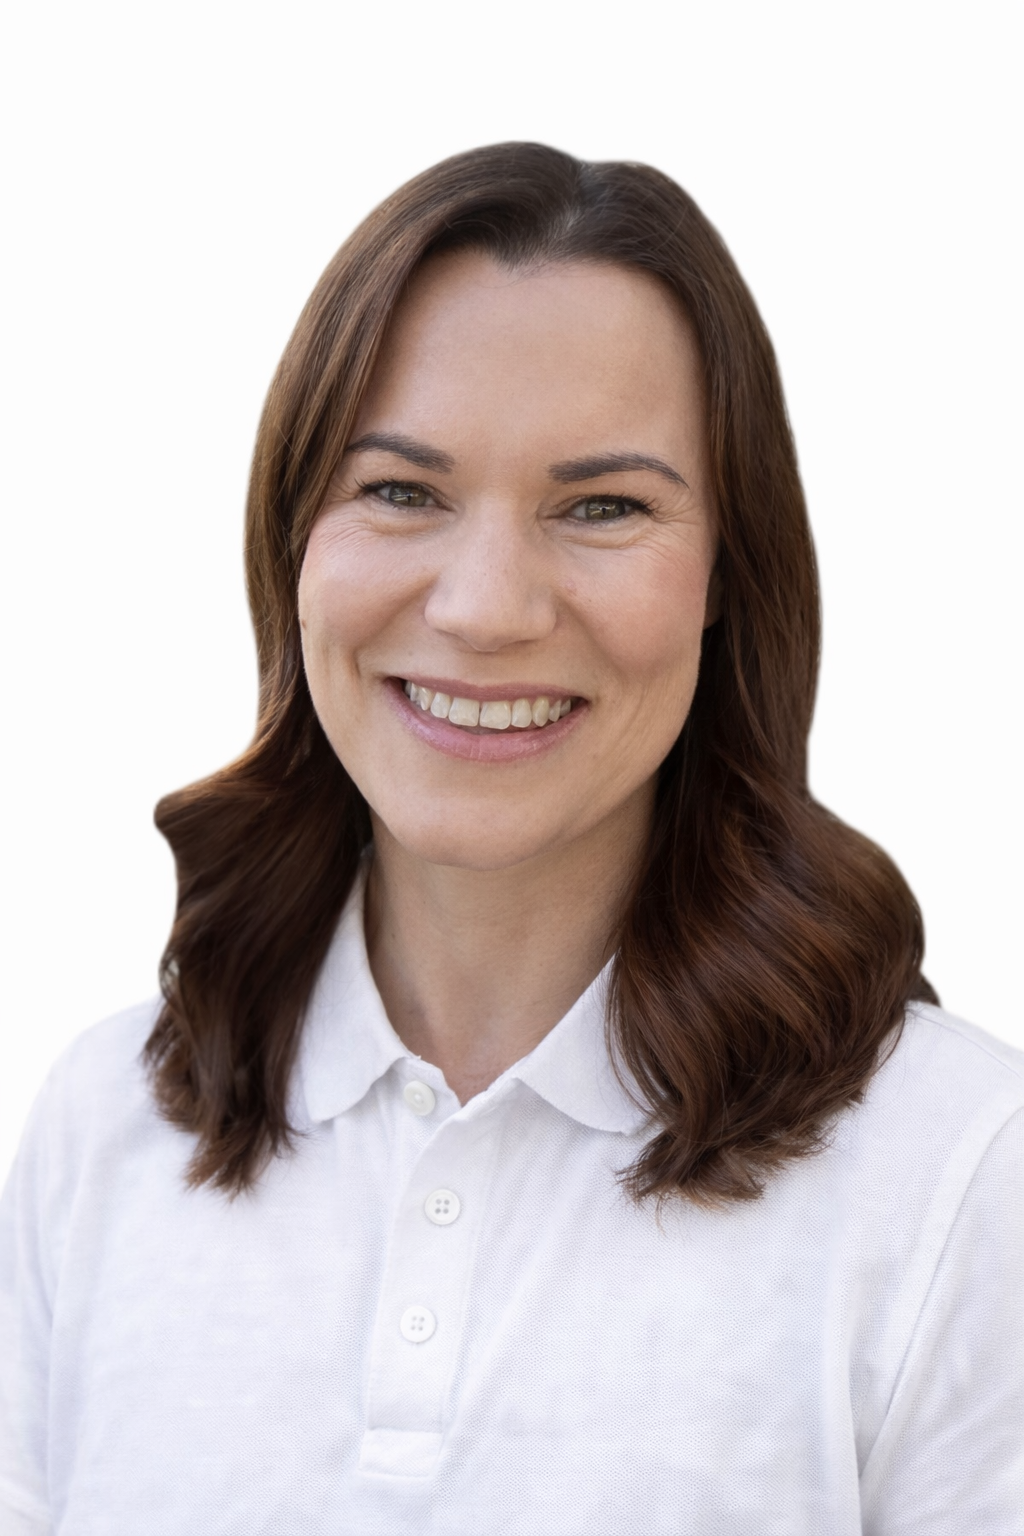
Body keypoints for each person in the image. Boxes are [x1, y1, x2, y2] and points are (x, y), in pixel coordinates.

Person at [1, 143, 1021, 1536]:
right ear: (292, 546)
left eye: (601, 506)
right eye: (402, 492)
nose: (485, 608)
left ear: (729, 570)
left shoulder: (959, 1172)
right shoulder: (100, 1131)